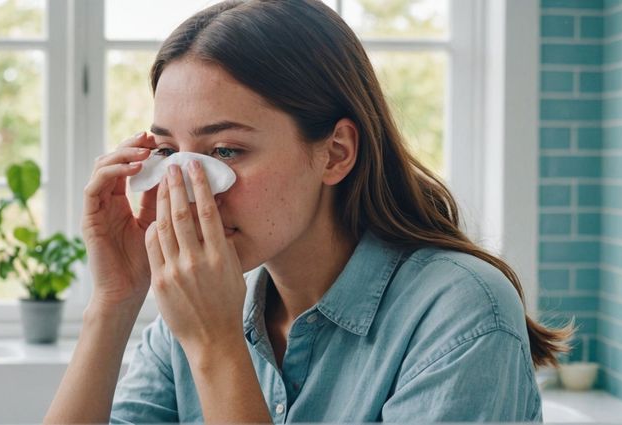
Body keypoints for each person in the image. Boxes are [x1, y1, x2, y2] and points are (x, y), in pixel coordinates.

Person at [45, 0, 570, 422]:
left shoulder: (460, 313)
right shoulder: (205, 303)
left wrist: (216, 345)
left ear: (336, 152)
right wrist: (113, 303)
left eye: (225, 151)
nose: (187, 190)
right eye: (168, 153)